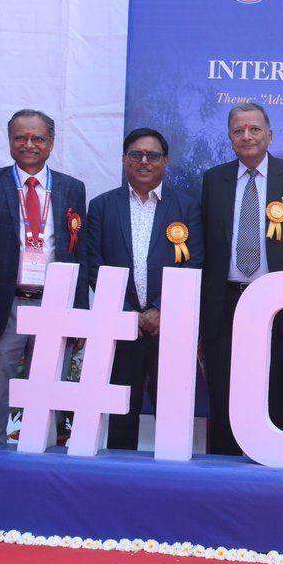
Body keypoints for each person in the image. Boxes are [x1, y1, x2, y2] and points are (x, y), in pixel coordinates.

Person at [0, 110, 87, 451]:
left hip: (55, 304)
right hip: (4, 305)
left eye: (38, 138)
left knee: (47, 397)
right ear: (9, 141)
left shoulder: (71, 188)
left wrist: (79, 311)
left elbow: (77, 252)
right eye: (20, 137)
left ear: (51, 143)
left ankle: (41, 468)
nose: (29, 144)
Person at [199, 101, 283, 455]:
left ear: (270, 135)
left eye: (254, 129)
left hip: (278, 304)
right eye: (238, 130)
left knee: (276, 388)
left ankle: (274, 464)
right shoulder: (214, 179)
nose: (246, 136)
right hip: (226, 302)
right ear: (230, 137)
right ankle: (222, 468)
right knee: (224, 389)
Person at [80, 128, 200, 451]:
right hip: (121, 326)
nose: (144, 161)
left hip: (169, 327)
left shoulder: (186, 207)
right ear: (124, 160)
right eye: (136, 155)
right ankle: (120, 475)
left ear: (165, 161)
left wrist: (161, 309)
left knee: (171, 413)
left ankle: (171, 474)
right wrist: (126, 313)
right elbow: (94, 262)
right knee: (121, 412)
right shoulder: (102, 206)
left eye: (153, 155)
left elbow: (194, 262)